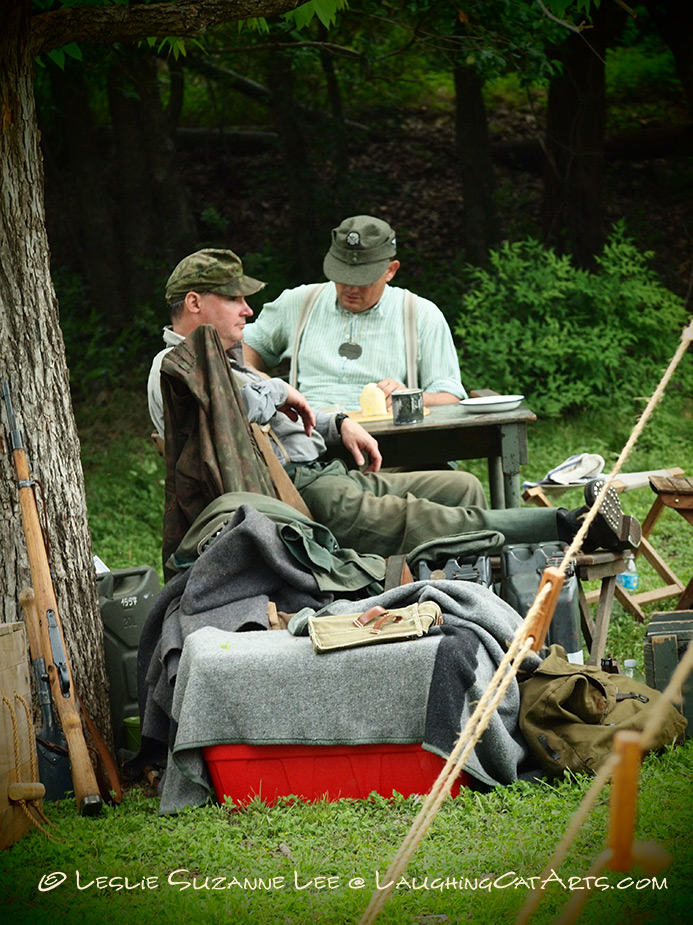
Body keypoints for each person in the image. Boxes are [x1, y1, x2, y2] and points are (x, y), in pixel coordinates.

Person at [148, 248, 641, 561]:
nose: (247, 310)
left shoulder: (220, 361)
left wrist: (335, 420)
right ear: (195, 303)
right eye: (234, 299)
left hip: (323, 471)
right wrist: (281, 389)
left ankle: (467, 605)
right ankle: (572, 524)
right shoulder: (175, 368)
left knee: (460, 487)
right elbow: (240, 415)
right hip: (291, 501)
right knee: (432, 521)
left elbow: (269, 408)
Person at [242, 215, 467, 411]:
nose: (350, 288)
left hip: (390, 442)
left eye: (362, 280)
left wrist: (410, 398)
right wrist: (262, 383)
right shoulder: (299, 302)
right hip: (308, 438)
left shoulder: (421, 315)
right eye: (342, 275)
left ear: (390, 270)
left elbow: (451, 396)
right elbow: (241, 347)